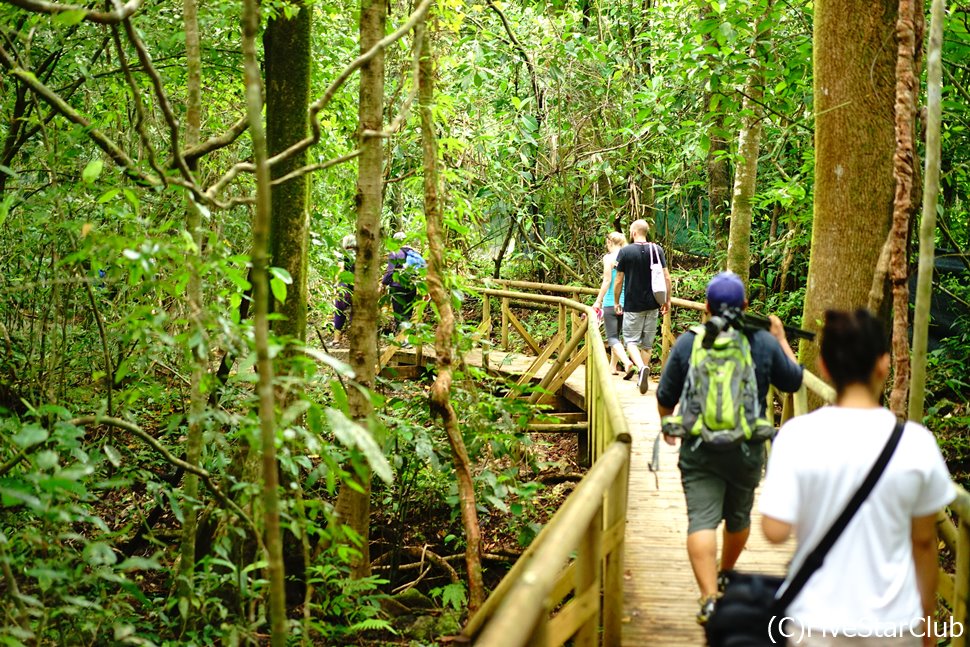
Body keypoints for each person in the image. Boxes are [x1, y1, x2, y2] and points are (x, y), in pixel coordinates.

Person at [760, 309, 954, 647]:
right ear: (884, 364)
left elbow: (775, 531)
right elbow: (924, 543)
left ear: (824, 366)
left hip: (814, 623)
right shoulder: (917, 443)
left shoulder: (796, 435)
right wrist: (928, 625)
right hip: (894, 627)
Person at [656, 271, 803, 625]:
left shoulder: (689, 342)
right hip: (748, 449)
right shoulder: (762, 342)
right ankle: (726, 572)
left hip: (699, 448)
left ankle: (708, 597)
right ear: (746, 306)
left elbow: (665, 396)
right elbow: (794, 379)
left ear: (705, 307)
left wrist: (667, 426)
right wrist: (781, 339)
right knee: (738, 517)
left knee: (701, 520)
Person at [614, 218, 671, 394]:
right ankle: (642, 376)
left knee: (630, 341)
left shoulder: (625, 252)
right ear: (646, 232)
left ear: (633, 233)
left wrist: (616, 301)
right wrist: (667, 300)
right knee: (647, 345)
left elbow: (619, 280)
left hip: (633, 305)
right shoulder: (657, 249)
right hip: (653, 305)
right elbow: (667, 277)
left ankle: (641, 368)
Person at [592, 231, 636, 378]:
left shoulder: (609, 258)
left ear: (610, 243)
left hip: (611, 301)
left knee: (612, 337)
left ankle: (626, 362)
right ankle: (612, 367)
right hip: (627, 303)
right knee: (618, 336)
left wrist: (598, 301)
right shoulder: (629, 257)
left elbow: (607, 281)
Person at [381, 231, 424, 330]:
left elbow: (390, 272)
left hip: (397, 287)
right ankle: (407, 338)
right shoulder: (414, 253)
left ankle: (402, 339)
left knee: (399, 313)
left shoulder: (395, 253)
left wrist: (383, 283)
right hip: (412, 286)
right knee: (408, 312)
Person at [332, 234, 356, 345]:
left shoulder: (343, 255)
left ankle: (336, 340)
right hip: (358, 287)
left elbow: (340, 269)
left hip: (344, 287)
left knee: (339, 311)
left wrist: (336, 286)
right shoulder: (361, 255)